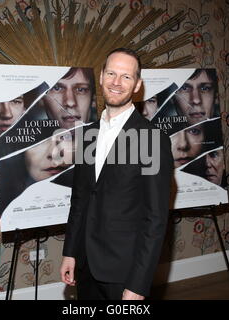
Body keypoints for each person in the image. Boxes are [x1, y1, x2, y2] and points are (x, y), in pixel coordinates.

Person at [60, 48, 173, 300]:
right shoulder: (87, 135)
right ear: (100, 77)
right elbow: (80, 201)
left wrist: (138, 284)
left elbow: (155, 219)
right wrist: (71, 252)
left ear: (137, 85)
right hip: (86, 266)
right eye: (111, 73)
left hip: (125, 271)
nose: (116, 82)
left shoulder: (151, 140)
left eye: (126, 77)